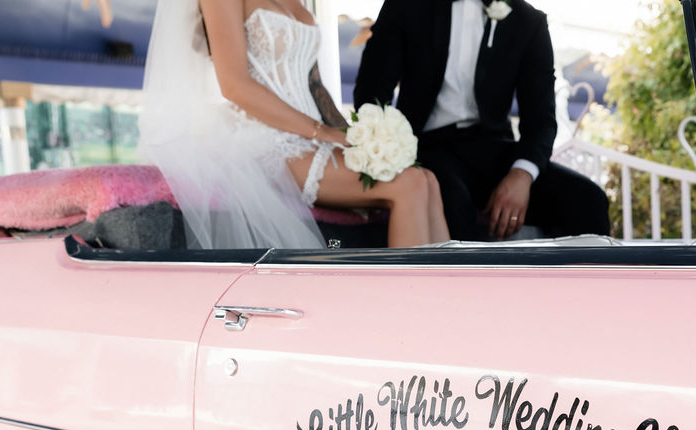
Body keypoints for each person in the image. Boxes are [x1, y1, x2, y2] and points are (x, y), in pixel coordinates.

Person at [140, 0, 449, 249]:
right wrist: (320, 131)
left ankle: (448, 307)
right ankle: (409, 310)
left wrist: (354, 135)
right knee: (408, 185)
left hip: (312, 136)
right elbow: (234, 85)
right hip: (264, 139)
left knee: (426, 180)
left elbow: (314, 84)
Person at [354, 0, 611, 242]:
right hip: (424, 147)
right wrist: (389, 152)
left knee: (589, 201)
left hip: (492, 148)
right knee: (453, 202)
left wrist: (521, 175)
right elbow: (371, 95)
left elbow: (541, 119)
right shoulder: (407, 6)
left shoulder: (528, 21)